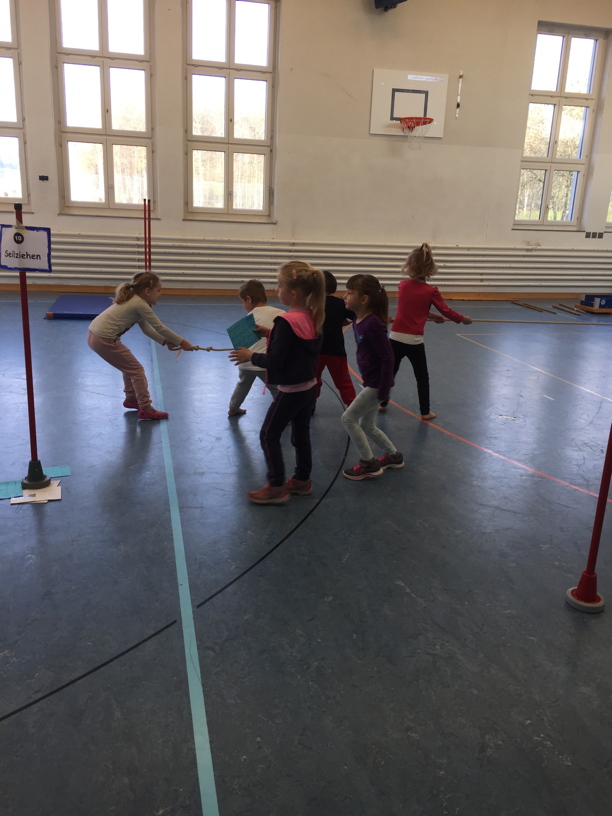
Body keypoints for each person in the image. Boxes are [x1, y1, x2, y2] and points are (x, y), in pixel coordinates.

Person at [229, 261, 325, 504]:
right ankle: (302, 480)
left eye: (279, 285)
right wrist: (270, 333)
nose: (276, 289)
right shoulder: (311, 315)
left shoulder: (286, 322)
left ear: (292, 293)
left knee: (268, 434)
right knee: (301, 435)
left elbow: (275, 360)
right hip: (309, 386)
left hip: (291, 390)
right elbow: (297, 344)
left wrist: (251, 356)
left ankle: (276, 486)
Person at [380, 243, 472, 420]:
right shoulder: (431, 291)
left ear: (409, 266)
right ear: (430, 269)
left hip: (395, 337)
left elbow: (413, 309)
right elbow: (447, 311)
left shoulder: (402, 285)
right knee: (422, 376)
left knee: (391, 371)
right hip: (413, 341)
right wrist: (463, 319)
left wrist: (433, 316)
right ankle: (425, 411)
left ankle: (382, 402)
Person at [87, 271, 194, 420]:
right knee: (137, 370)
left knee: (129, 367)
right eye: (159, 290)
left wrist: (165, 341)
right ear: (147, 291)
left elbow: (146, 329)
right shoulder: (139, 304)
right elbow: (160, 327)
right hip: (104, 339)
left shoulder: (134, 300)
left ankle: (131, 399)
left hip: (95, 336)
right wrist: (182, 342)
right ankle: (146, 408)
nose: (160, 294)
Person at [341, 274, 403, 480]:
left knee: (348, 418)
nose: (345, 296)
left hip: (377, 384)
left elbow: (388, 358)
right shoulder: (358, 320)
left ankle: (369, 463)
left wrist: (384, 389)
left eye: (349, 293)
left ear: (364, 299)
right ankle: (393, 456)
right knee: (367, 425)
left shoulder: (373, 325)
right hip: (370, 381)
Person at [228, 279, 285, 417]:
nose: (243, 306)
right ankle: (283, 414)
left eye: (243, 302)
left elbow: (240, 343)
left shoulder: (248, 318)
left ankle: (233, 408)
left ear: (249, 299)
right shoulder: (280, 313)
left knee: (243, 384)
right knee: (276, 388)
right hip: (264, 362)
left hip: (245, 361)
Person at [313, 270, 356, 412]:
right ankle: (352, 406)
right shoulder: (340, 304)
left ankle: (310, 405)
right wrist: (338, 321)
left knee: (313, 380)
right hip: (336, 350)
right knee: (343, 381)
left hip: (315, 350)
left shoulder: (312, 304)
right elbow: (357, 316)